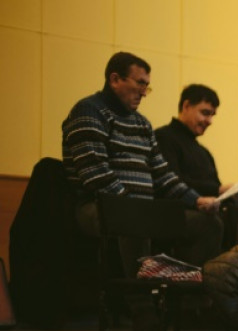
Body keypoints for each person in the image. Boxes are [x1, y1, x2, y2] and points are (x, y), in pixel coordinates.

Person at [62, 52, 221, 279]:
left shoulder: (142, 124)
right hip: (97, 207)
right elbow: (95, 174)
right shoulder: (89, 111)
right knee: (132, 218)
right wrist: (135, 206)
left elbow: (163, 175)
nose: (144, 92)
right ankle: (140, 296)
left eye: (147, 86)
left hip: (140, 209)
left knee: (207, 223)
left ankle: (188, 295)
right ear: (115, 79)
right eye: (140, 84)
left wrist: (196, 200)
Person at [155, 84, 224, 197]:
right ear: (186, 106)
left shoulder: (204, 152)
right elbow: (172, 183)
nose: (209, 121)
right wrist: (217, 190)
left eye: (212, 115)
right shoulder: (163, 138)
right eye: (205, 113)